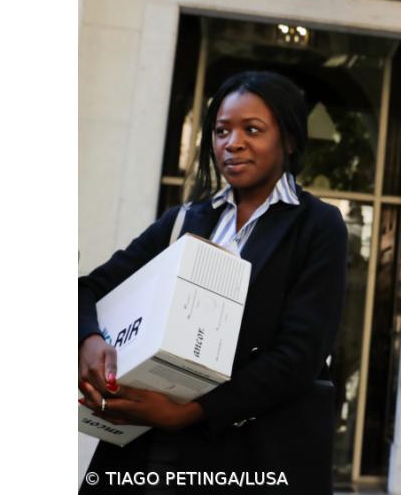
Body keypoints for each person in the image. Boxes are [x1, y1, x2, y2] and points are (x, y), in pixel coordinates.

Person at [78, 71, 348, 493]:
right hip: (151, 449)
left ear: (290, 141)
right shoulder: (184, 221)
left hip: (255, 454)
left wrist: (191, 411)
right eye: (222, 131)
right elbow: (88, 288)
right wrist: (89, 339)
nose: (232, 143)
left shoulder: (318, 225)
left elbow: (300, 355)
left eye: (252, 130)